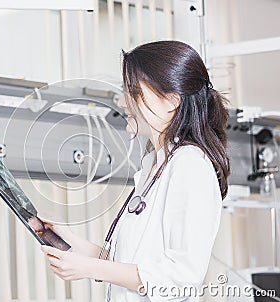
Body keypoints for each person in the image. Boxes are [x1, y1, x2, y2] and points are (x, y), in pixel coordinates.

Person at [40, 40, 230, 301]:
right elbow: (127, 262)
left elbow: (181, 278)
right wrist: (67, 237)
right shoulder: (155, 164)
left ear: (171, 101)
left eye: (133, 90)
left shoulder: (190, 165)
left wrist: (88, 268)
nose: (122, 100)